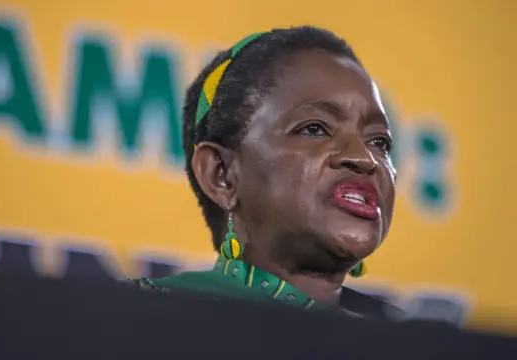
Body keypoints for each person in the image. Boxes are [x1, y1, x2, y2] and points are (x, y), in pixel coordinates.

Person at [126, 26, 400, 318]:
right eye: (315, 129)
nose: (365, 157)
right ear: (222, 174)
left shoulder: (418, 344)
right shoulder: (135, 317)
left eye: (379, 141)